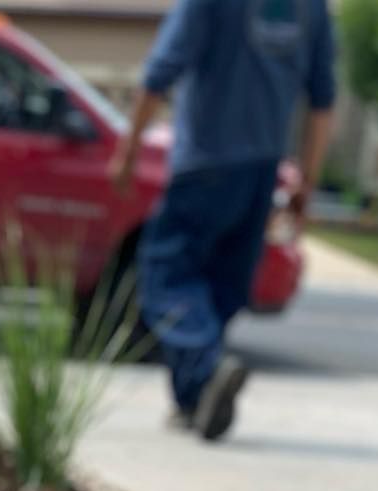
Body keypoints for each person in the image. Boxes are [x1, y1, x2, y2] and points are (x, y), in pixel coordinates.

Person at [110, 0, 336, 440]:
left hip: (204, 163)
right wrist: (306, 180)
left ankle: (206, 369)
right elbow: (323, 99)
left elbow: (160, 71)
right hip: (262, 168)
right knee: (221, 287)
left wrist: (129, 150)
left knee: (166, 277)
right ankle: (194, 399)